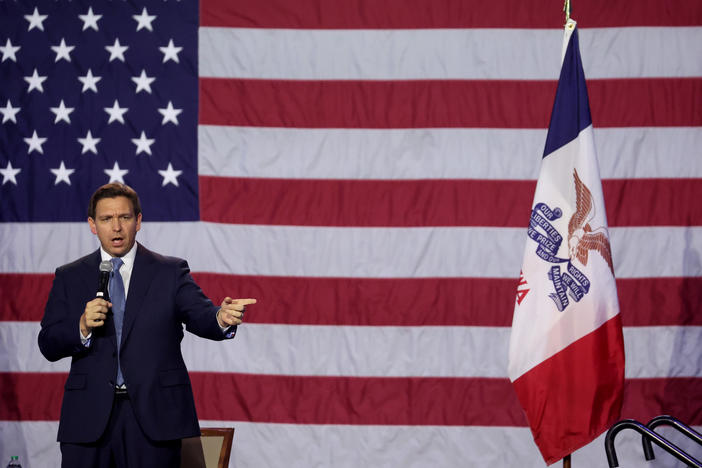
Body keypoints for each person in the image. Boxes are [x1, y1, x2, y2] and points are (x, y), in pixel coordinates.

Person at [38, 183, 256, 467]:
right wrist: (81, 326)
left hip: (155, 419)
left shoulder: (169, 271)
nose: (116, 227)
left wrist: (220, 318)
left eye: (124, 218)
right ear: (92, 225)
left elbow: (201, 315)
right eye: (106, 219)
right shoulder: (70, 276)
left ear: (138, 221)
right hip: (88, 419)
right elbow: (48, 343)